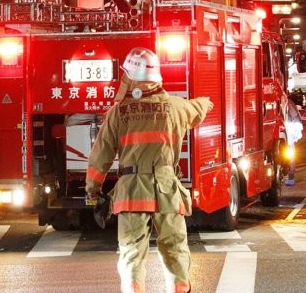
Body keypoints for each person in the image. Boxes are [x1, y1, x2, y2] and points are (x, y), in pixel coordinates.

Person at [85, 47, 212, 293]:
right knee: (175, 248)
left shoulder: (118, 112)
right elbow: (198, 108)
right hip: (167, 189)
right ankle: (180, 287)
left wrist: (93, 190)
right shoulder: (177, 107)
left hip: (132, 191)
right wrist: (206, 102)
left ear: (131, 76)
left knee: (132, 252)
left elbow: (100, 156)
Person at [281, 93, 303, 186]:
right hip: (283, 133)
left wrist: (296, 132)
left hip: (289, 132)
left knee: (290, 154)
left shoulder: (289, 103)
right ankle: (286, 174)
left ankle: (291, 176)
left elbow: (295, 118)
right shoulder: (283, 103)